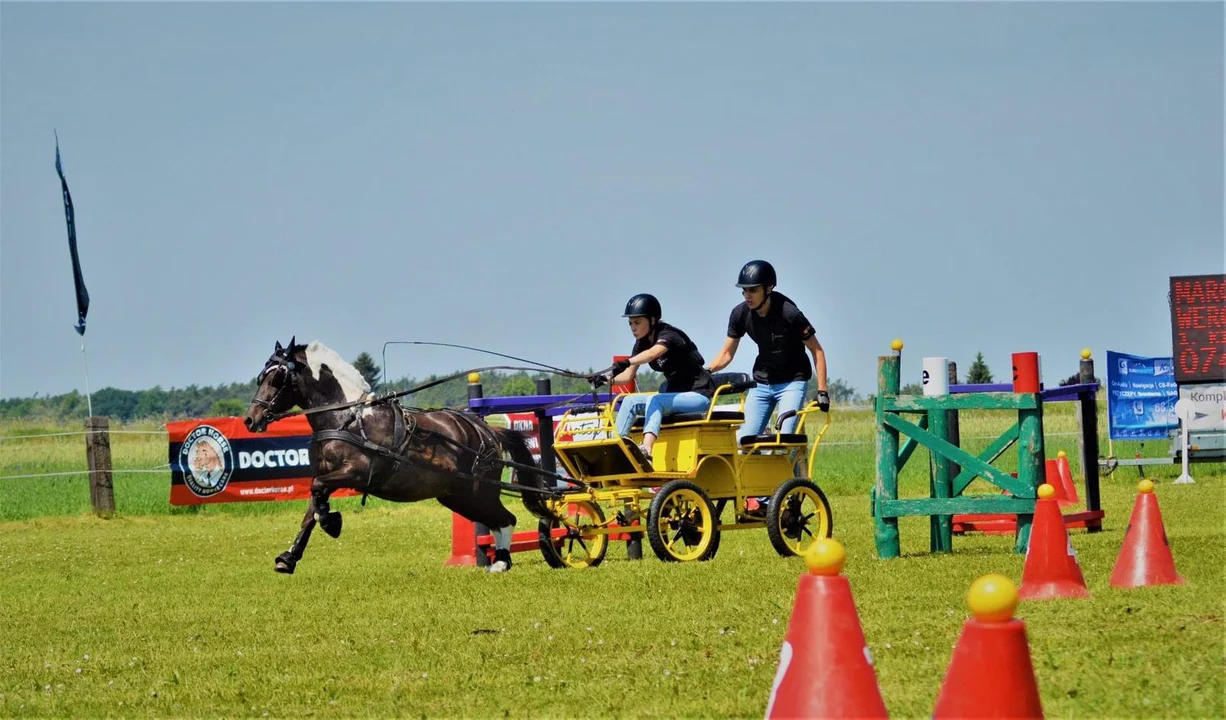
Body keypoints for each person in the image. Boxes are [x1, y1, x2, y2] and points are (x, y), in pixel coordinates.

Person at [705, 260, 830, 442]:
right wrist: (706, 372)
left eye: (753, 290)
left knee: (785, 439)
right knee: (743, 442)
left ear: (769, 288)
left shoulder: (790, 313)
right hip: (762, 383)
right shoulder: (740, 314)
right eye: (744, 291)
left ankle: (795, 471)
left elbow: (817, 351)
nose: (748, 296)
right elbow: (726, 354)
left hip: (792, 382)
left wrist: (822, 391)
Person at [590, 293, 716, 470]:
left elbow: (651, 354)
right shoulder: (641, 342)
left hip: (699, 396)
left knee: (656, 400)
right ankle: (615, 449)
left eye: (637, 322)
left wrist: (628, 361)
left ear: (652, 320)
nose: (633, 328)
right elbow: (627, 376)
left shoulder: (670, 335)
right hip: (674, 396)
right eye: (630, 323)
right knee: (630, 400)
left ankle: (646, 450)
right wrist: (605, 379)